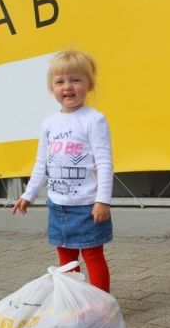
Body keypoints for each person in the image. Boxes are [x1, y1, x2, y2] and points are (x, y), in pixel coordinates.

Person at [11, 49, 113, 293]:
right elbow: (41, 164)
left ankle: (101, 304)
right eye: (60, 81)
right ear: (52, 88)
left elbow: (105, 163)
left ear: (89, 85)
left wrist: (102, 200)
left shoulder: (94, 120)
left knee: (93, 256)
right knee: (66, 261)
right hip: (57, 206)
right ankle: (74, 302)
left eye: (75, 80)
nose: (67, 87)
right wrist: (28, 195)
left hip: (87, 207)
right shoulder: (49, 123)